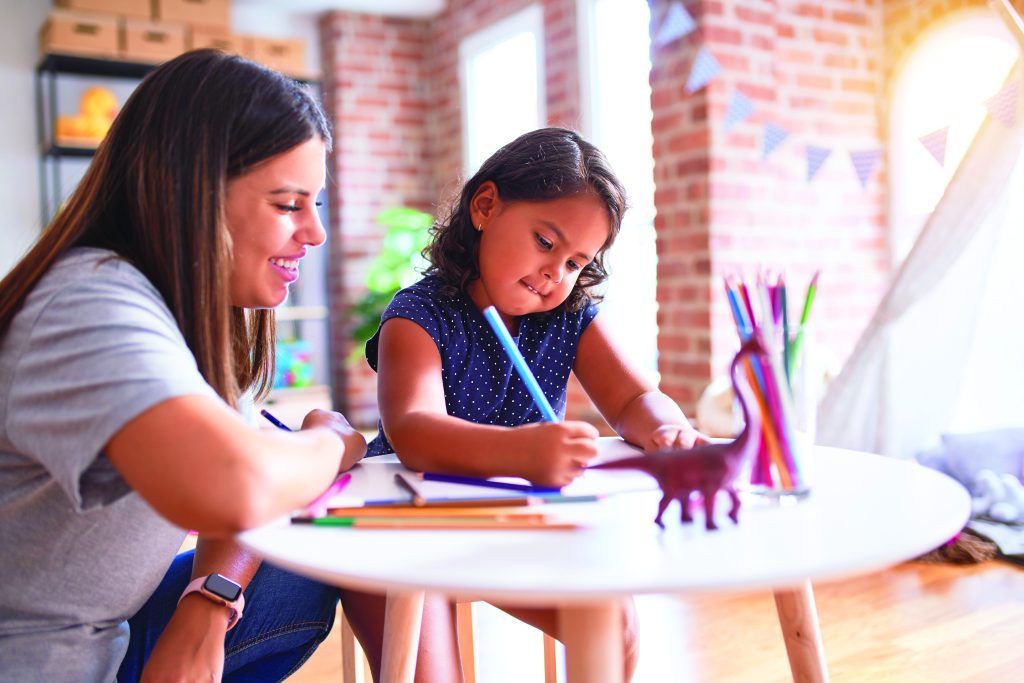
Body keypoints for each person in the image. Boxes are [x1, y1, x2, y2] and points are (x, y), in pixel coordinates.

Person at [0, 49, 373, 682]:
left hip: (110, 627)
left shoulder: (182, 315)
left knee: (316, 543)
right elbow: (236, 485)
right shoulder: (87, 305)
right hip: (39, 655)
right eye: (288, 204)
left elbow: (251, 465)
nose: (315, 233)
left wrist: (210, 599)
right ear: (189, 195)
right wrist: (330, 440)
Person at [365, 127, 708, 680]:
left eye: (575, 263)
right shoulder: (416, 315)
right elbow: (413, 429)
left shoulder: (569, 316)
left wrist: (667, 429)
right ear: (485, 206)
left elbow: (635, 398)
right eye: (546, 243)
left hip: (516, 522)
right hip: (409, 529)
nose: (556, 275)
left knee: (612, 624)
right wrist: (519, 453)